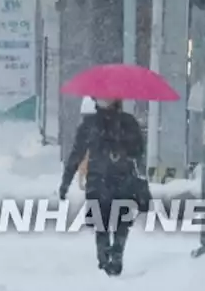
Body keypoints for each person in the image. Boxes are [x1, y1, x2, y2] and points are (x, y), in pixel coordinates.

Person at [59, 98, 145, 276]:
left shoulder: (89, 125)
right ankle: (118, 250)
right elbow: (139, 152)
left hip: (98, 183)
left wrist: (65, 182)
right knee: (122, 220)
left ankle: (104, 255)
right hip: (124, 180)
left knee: (101, 223)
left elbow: (76, 154)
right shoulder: (129, 122)